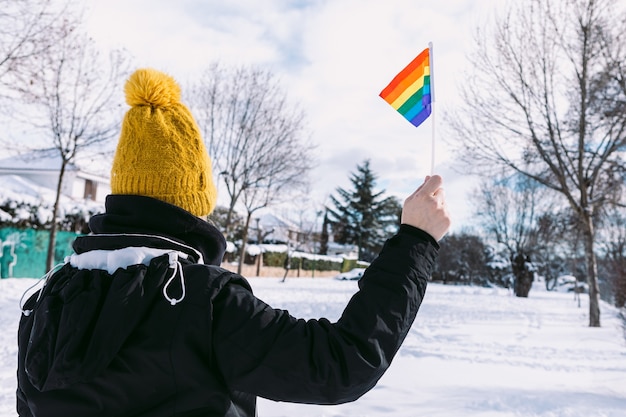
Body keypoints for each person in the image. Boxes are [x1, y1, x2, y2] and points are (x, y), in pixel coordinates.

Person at [16, 68, 451, 417]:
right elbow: (340, 365)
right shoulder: (202, 301)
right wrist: (415, 240)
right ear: (193, 201)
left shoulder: (47, 298)